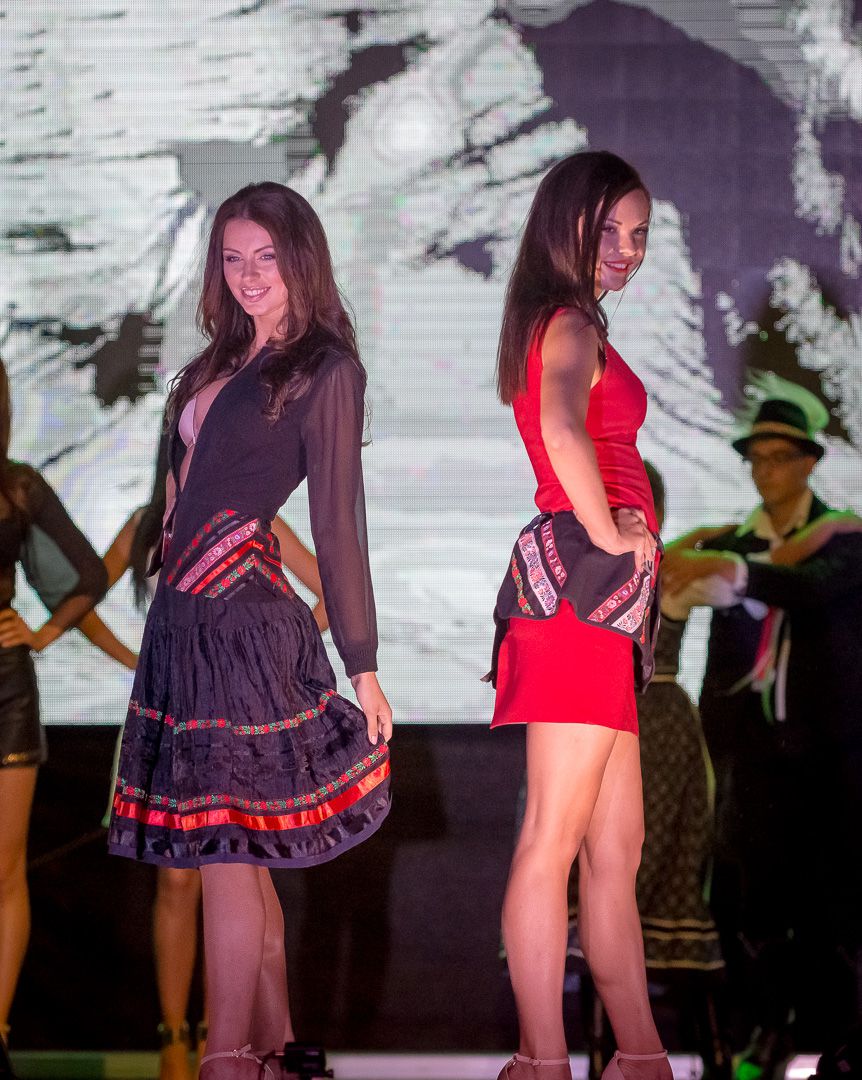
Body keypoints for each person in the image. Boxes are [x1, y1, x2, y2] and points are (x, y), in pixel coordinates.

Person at [107, 182, 392, 1080]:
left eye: (266, 256)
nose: (248, 274)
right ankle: (273, 1051)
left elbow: (338, 523)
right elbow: (187, 491)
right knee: (241, 854)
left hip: (242, 628)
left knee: (229, 849)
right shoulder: (220, 360)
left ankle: (226, 1056)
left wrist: (363, 664)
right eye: (233, 258)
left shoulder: (324, 369)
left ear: (301, 256)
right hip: (186, 622)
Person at [489, 151, 670, 1080]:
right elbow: (562, 428)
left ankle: (640, 1057)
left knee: (614, 850)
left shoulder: (572, 319)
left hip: (604, 607)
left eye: (639, 234)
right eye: (609, 231)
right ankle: (543, 1062)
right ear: (566, 225)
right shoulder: (566, 322)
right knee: (552, 842)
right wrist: (612, 532)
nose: (627, 250)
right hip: (580, 598)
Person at [78, 432, 329, 1080]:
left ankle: (256, 1044)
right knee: (177, 880)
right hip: (169, 716)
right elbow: (80, 594)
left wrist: (275, 650)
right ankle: (177, 1041)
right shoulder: (151, 524)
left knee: (244, 873)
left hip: (237, 721)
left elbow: (332, 586)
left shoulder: (252, 517)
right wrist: (137, 661)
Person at [662, 387, 862, 1075]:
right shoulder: (733, 540)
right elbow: (669, 574)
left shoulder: (844, 537)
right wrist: (699, 549)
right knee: (752, 898)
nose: (766, 470)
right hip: (750, 752)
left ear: (810, 462)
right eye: (757, 457)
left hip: (829, 752)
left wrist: (734, 570)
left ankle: (842, 1042)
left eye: (780, 457)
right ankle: (765, 1032)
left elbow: (807, 588)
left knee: (836, 900)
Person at [0, 356, 108, 1056]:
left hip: (6, 688)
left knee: (4, 871)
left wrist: (39, 633)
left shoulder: (17, 486)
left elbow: (90, 573)